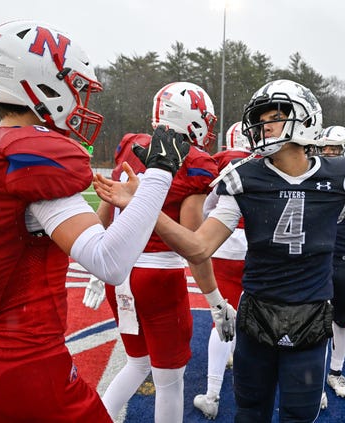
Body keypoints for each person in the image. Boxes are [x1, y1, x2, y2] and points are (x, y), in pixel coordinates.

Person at [94, 79, 345, 422]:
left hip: (311, 318)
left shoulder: (340, 176)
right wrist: (145, 207)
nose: (263, 127)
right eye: (260, 120)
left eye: (274, 118)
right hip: (257, 318)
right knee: (250, 413)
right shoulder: (243, 178)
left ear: (303, 119)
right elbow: (198, 246)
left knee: (298, 416)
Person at [0, 20, 192, 423]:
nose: (80, 99)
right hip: (25, 364)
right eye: (74, 86)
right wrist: (159, 174)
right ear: (42, 84)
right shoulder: (28, 156)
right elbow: (109, 261)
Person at [91, 81, 233, 423]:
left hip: (119, 273)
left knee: (137, 363)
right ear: (190, 118)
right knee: (170, 379)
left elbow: (107, 209)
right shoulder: (195, 161)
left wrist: (98, 267)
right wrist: (215, 301)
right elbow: (194, 247)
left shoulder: (131, 145)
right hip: (158, 276)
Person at [193, 121, 253, 419]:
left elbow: (208, 207)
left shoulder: (219, 162)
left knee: (223, 313)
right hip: (257, 247)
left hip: (226, 245)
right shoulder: (262, 162)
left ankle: (213, 394)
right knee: (256, 315)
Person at [309, 126, 345, 405]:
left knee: (342, 319)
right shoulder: (311, 178)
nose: (327, 154)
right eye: (324, 148)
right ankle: (314, 383)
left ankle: (336, 371)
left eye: (334, 149)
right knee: (315, 321)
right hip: (318, 261)